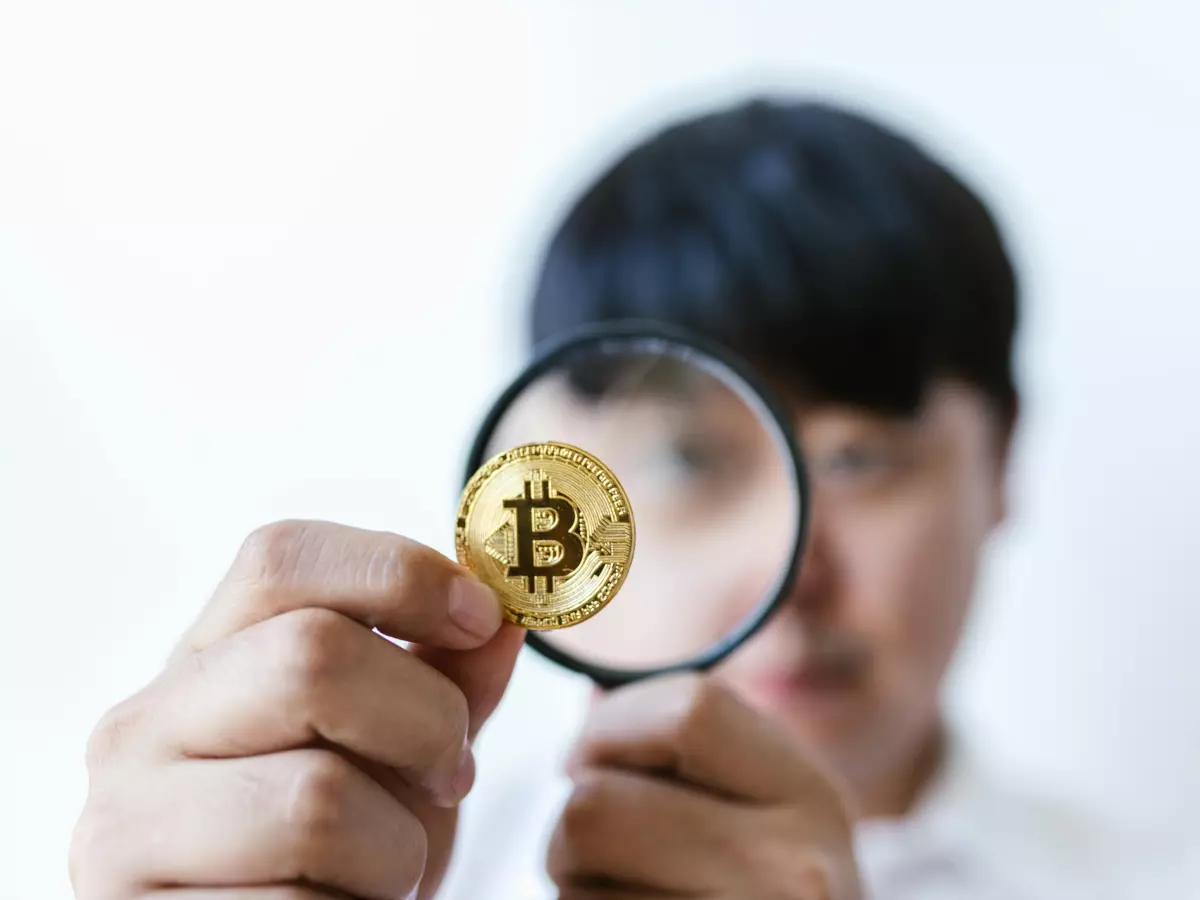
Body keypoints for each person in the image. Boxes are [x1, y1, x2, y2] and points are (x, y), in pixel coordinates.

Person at [69, 98, 1136, 900]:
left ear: (1002, 462)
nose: (792, 577)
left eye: (858, 460)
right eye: (685, 460)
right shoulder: (371, 859)